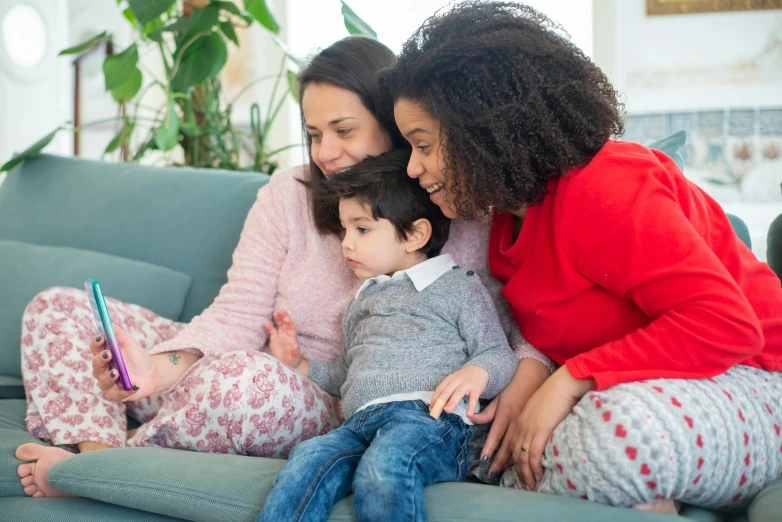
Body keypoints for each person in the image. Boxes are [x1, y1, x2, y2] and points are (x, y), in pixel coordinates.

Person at [15, 35, 553, 499]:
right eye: (314, 133)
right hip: (242, 362)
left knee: (240, 382)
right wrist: (154, 369)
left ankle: (101, 469)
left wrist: (526, 382)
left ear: (393, 123)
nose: (326, 152)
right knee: (58, 309)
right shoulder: (289, 193)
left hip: (333, 398)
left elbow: (515, 323)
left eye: (344, 130)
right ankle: (97, 455)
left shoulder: (449, 202)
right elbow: (237, 313)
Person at [383, 0, 782, 514]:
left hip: (757, 374)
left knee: (609, 436)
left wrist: (572, 380)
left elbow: (728, 326)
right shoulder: (506, 220)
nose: (414, 169)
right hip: (668, 392)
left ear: (484, 133)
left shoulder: (604, 188)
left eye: (424, 145)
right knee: (499, 447)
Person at [257, 150, 517, 522]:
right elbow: (346, 374)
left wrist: (476, 372)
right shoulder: (361, 300)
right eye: (345, 230)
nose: (346, 242)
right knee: (306, 461)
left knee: (385, 467)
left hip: (429, 420)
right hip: (358, 423)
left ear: (415, 234)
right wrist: (299, 364)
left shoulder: (458, 286)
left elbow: (497, 352)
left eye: (361, 229)